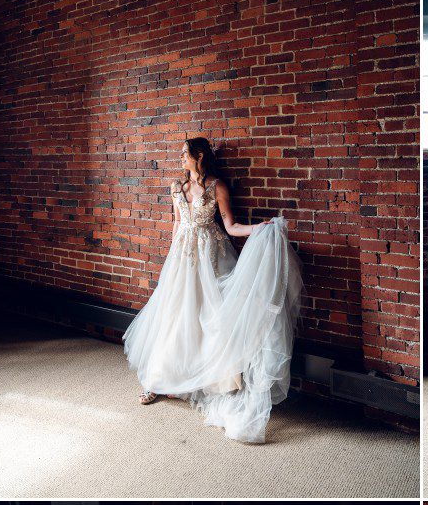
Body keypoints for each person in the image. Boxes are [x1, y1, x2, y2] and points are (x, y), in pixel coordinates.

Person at [123, 137, 302, 444]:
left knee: (212, 316)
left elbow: (230, 226)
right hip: (183, 258)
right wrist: (171, 263)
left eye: (185, 153)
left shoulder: (217, 187)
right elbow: (177, 226)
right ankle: (158, 379)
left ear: (199, 156)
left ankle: (212, 379)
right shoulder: (176, 188)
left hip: (212, 258)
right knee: (174, 317)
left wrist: (259, 228)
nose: (180, 157)